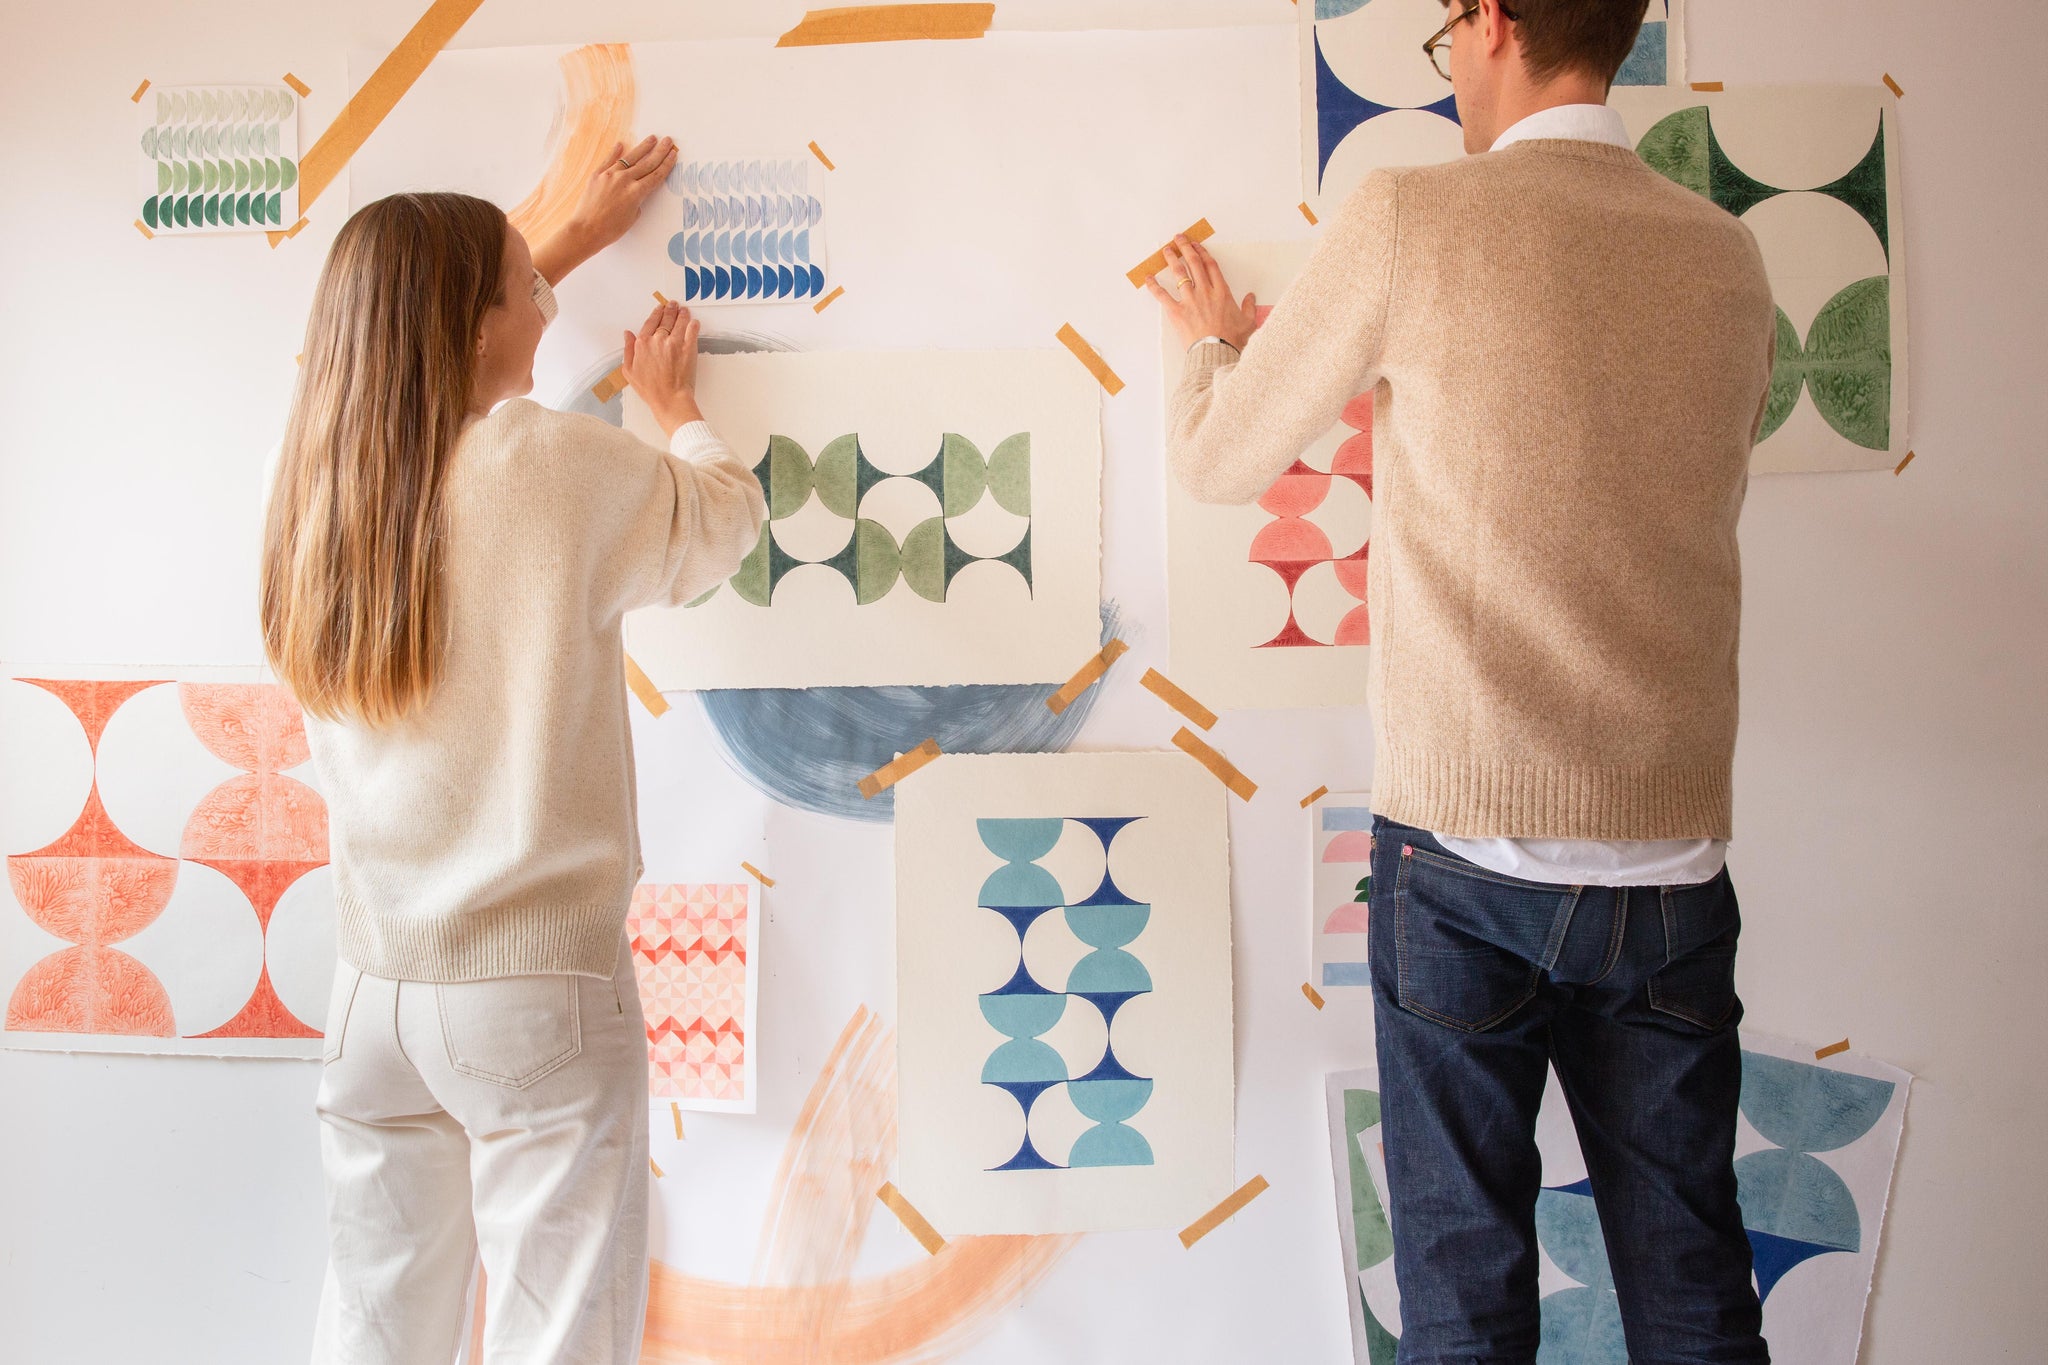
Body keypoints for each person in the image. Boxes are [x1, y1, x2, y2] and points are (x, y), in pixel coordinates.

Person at [1154, 1, 1776, 1361]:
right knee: (1691, 1285)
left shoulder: (1409, 219)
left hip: (1465, 867)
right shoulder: (1730, 259)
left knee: (1462, 1294)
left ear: (1490, 23)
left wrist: (1208, 343)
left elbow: (1214, 462)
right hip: (1668, 871)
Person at [261, 136, 768, 1364]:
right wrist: (676, 411)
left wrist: (566, 241)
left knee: (376, 1329)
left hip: (371, 999)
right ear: (473, 322)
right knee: (560, 1335)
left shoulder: (325, 482)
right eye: (525, 287)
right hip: (532, 996)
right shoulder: (545, 464)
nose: (549, 305)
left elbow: (406, 333)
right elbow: (724, 525)